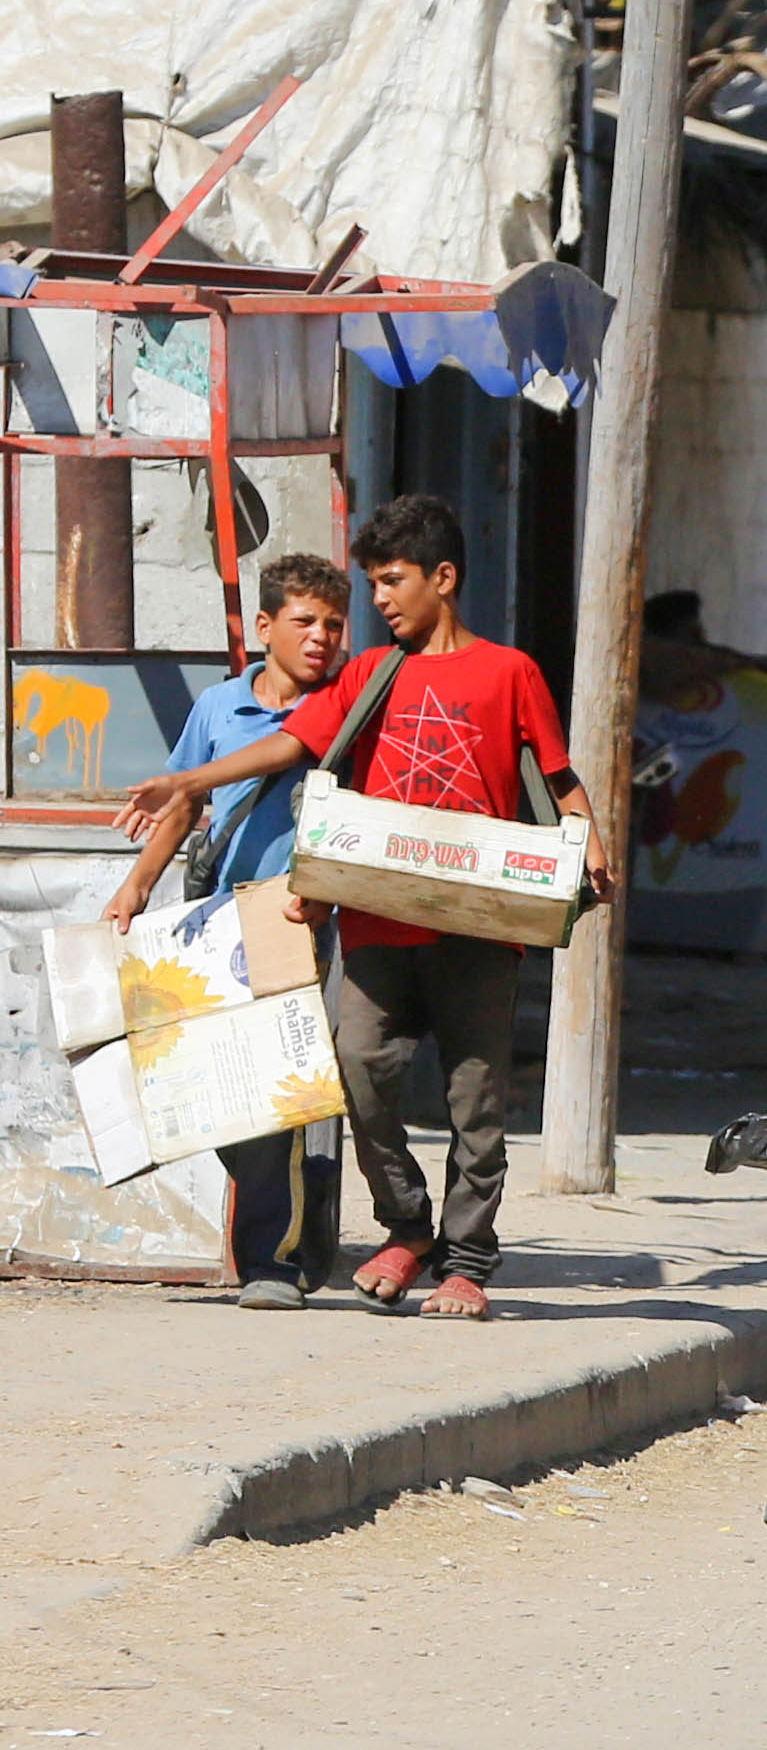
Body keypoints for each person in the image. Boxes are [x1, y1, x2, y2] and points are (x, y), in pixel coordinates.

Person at [121, 496, 602, 1322]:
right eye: (373, 583)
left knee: (475, 1101)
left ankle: (468, 1262)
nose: (378, 600)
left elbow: (558, 778)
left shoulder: (509, 670)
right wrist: (190, 781)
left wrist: (591, 844)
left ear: (441, 580)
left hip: (481, 926)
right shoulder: (367, 673)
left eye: (392, 581)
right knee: (359, 1073)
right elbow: (296, 745)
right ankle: (408, 1227)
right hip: (376, 926)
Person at [104, 553, 351, 1309]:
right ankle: (291, 1236)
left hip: (303, 917)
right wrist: (136, 885)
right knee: (221, 1093)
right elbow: (182, 804)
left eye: (335, 625)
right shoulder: (218, 707)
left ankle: (274, 1264)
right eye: (305, 622)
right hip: (220, 918)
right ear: (266, 627)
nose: (322, 638)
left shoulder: (345, 704)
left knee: (287, 1093)